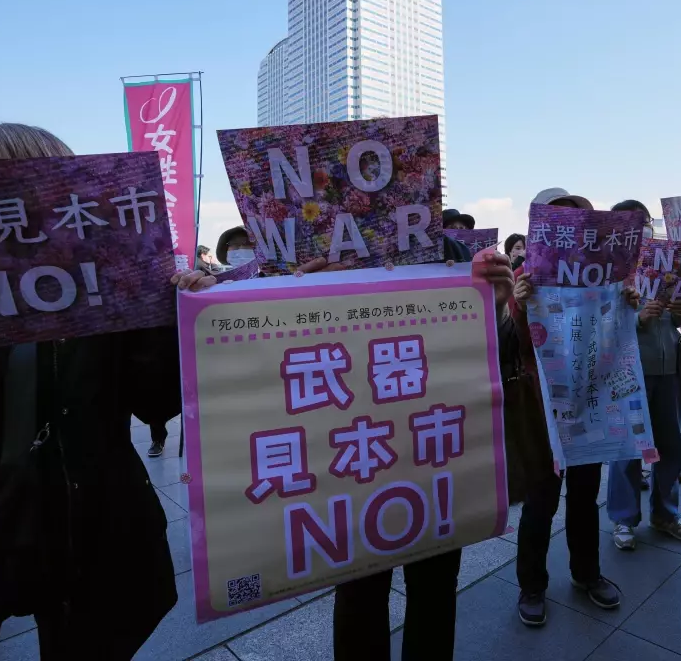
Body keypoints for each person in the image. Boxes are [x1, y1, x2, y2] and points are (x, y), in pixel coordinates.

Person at [0, 123, 203, 660]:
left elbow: (156, 402)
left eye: (12, 188)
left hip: (95, 525)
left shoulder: (113, 290)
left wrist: (173, 317)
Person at [178, 235, 516, 661]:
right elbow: (258, 362)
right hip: (355, 467)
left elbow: (491, 359)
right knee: (359, 592)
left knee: (435, 590)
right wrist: (211, 301)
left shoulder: (452, 253)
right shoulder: (314, 252)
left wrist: (496, 306)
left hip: (432, 461)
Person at [505, 186, 628, 627]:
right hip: (542, 411)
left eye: (575, 221)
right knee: (540, 502)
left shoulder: (606, 275)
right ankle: (531, 584)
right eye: (556, 222)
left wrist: (629, 308)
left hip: (589, 404)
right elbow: (514, 346)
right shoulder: (524, 275)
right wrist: (518, 306)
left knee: (583, 496)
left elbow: (617, 335)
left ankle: (586, 573)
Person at [606, 200, 681, 550]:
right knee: (627, 447)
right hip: (628, 369)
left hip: (668, 365)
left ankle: (666, 514)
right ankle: (623, 519)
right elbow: (596, 322)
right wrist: (636, 319)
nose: (641, 226)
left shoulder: (667, 262)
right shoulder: (610, 267)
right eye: (632, 221)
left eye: (644, 220)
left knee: (671, 446)